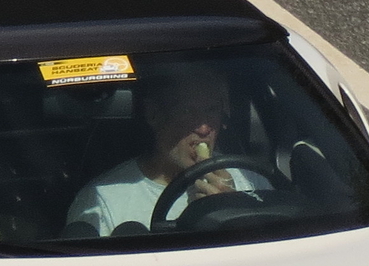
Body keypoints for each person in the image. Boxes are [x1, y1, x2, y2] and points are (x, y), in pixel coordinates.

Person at [65, 68, 270, 236]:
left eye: (211, 111)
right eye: (188, 112)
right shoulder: (105, 200)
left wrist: (233, 212)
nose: (204, 129)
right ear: (154, 115)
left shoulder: (250, 178)